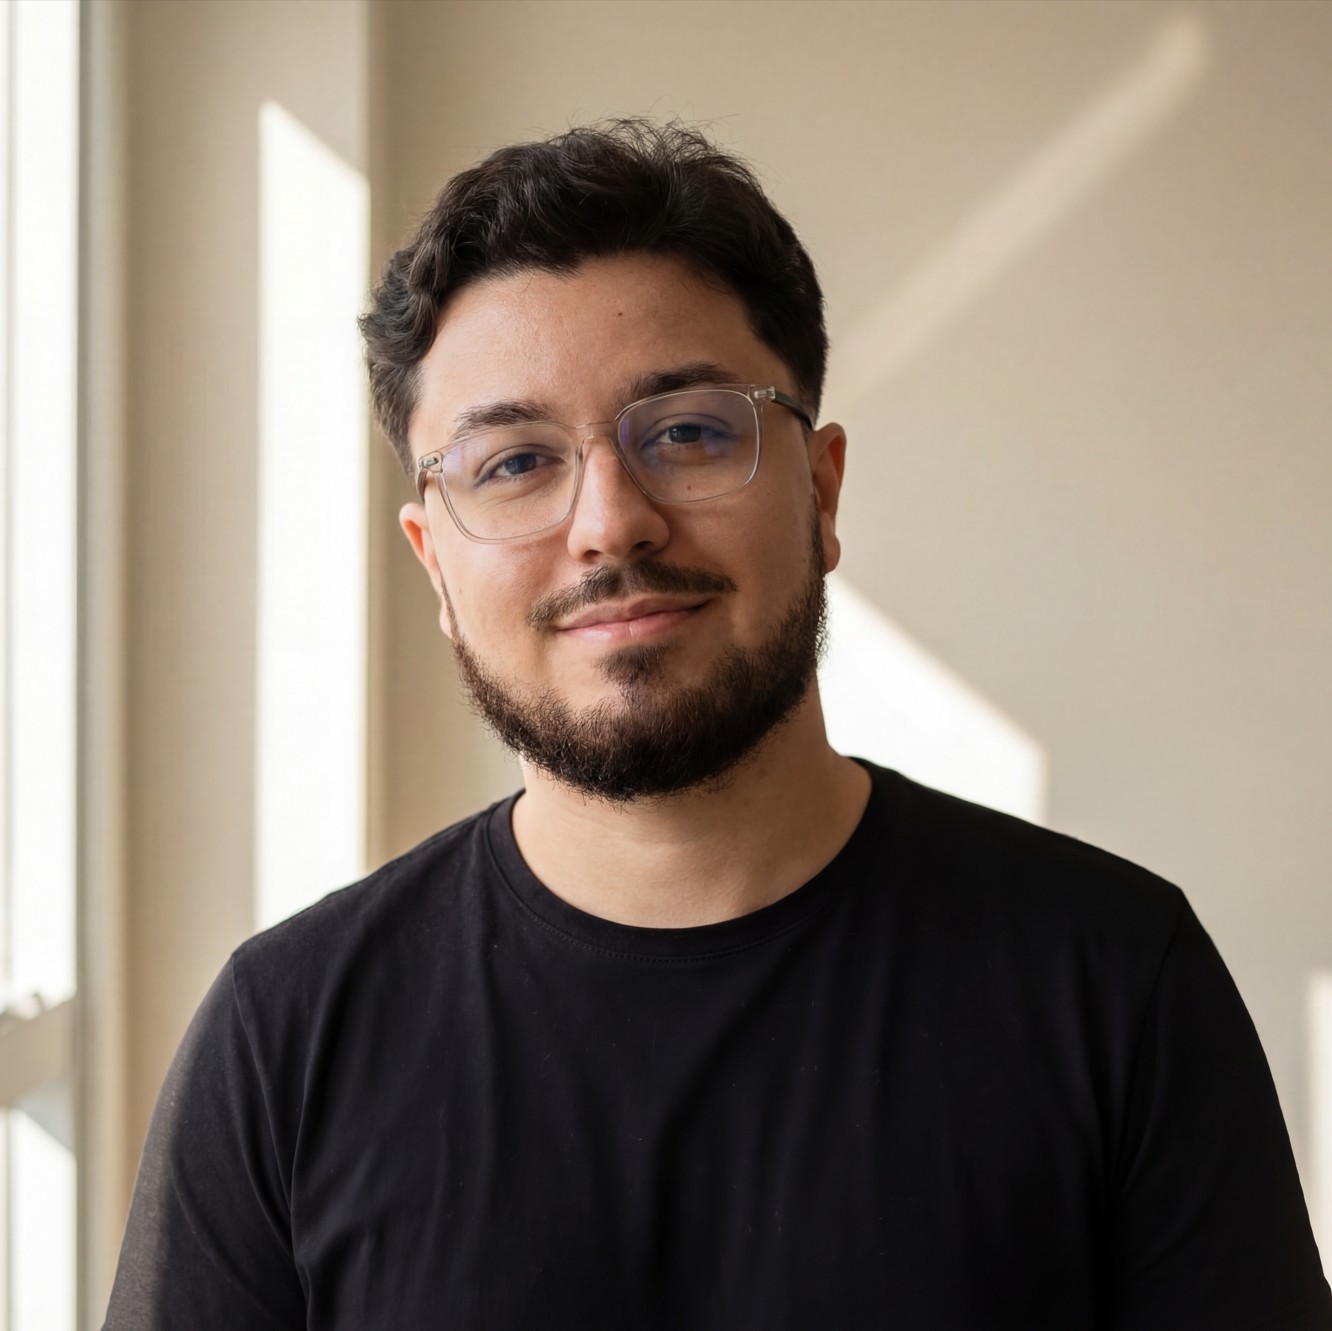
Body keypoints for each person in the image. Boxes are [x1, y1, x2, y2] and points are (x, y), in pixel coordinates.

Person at [104, 120, 1330, 1330]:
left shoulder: (1113, 980)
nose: (609, 524)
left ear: (821, 487)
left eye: (687, 432)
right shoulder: (287, 1040)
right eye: (514, 462)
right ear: (433, 564)